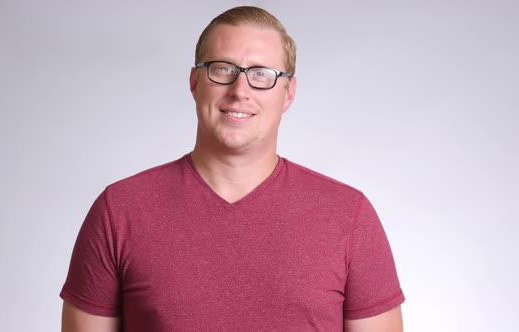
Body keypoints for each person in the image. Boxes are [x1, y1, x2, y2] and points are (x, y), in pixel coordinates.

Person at [60, 6, 404, 331]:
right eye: (222, 68)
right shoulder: (119, 210)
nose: (240, 91)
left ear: (288, 93)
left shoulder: (348, 215)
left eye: (262, 74)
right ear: (195, 82)